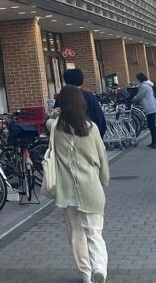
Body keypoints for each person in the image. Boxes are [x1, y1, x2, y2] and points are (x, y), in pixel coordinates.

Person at [47, 85, 110, 283]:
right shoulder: (91, 128)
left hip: (67, 191)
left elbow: (47, 121)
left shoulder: (56, 128)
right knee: (94, 232)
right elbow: (102, 157)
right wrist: (104, 180)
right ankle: (99, 268)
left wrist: (54, 113)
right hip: (90, 187)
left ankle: (85, 273)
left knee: (76, 235)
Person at [54, 68, 107, 138]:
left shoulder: (61, 97)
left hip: (66, 137)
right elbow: (100, 120)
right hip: (89, 135)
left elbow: (55, 120)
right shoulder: (89, 96)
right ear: (82, 81)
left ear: (66, 82)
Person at [132, 72, 156, 148]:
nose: (136, 81)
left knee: (152, 126)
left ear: (139, 79)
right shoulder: (147, 85)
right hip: (151, 107)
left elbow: (139, 96)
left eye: (137, 79)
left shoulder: (144, 86)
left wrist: (134, 99)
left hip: (149, 108)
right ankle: (154, 141)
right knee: (151, 126)